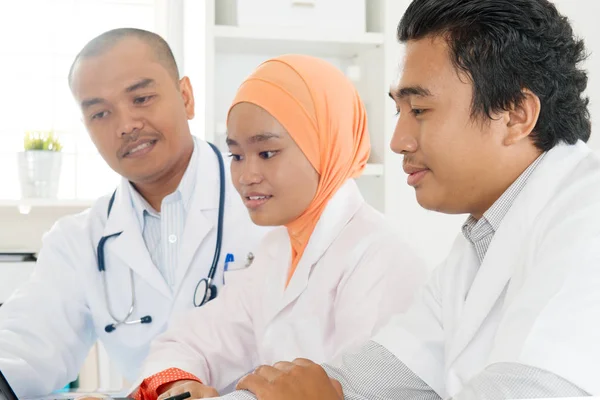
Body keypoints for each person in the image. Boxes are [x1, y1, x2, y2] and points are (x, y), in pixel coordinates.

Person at [207, 0, 600, 399]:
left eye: (421, 109)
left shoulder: (587, 225)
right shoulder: (476, 246)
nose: (397, 142)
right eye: (399, 110)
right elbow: (364, 380)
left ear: (516, 115)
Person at [127, 54, 427, 400]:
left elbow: (356, 392)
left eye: (267, 153)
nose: (246, 176)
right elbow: (189, 341)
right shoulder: (276, 250)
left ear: (325, 145)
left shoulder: (380, 256)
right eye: (236, 156)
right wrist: (178, 386)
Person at [0, 28, 268, 397]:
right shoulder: (79, 240)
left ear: (186, 97)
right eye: (100, 113)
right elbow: (25, 344)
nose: (126, 125)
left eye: (141, 98)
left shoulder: (269, 194)